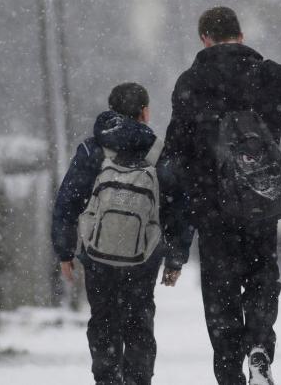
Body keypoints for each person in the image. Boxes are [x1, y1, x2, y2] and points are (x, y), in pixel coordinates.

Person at [159, 6, 281, 385]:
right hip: (260, 198)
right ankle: (259, 345)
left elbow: (174, 156)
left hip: (211, 206)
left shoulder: (190, 82)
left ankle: (229, 373)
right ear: (240, 36)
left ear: (204, 38)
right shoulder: (270, 72)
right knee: (262, 275)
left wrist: (173, 235)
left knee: (220, 290)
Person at [51, 82, 177, 385]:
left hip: (98, 254)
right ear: (145, 112)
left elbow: (68, 200)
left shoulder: (91, 149)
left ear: (111, 110)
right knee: (139, 320)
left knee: (103, 319)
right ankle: (138, 380)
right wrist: (176, 257)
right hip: (143, 256)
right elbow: (177, 208)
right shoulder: (158, 150)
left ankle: (107, 379)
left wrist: (65, 250)